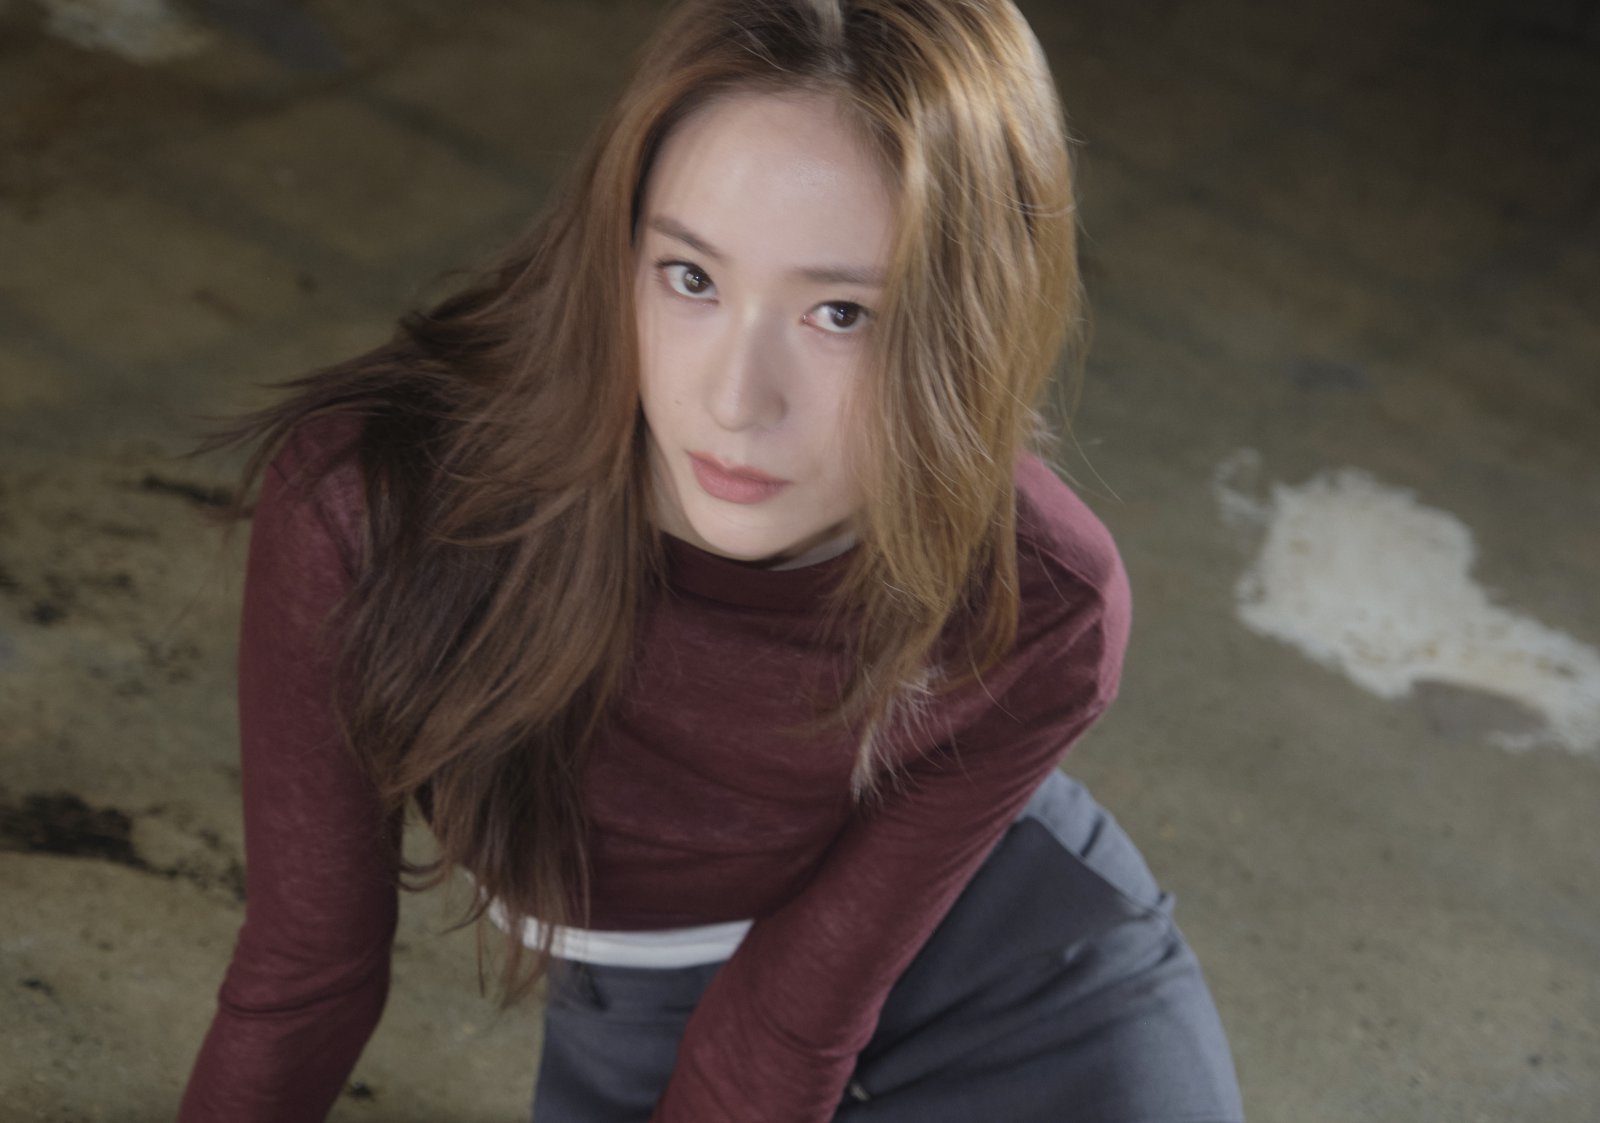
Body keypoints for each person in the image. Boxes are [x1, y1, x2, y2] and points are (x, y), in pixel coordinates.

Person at [178, 0, 1245, 1120]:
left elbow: (791, 1022)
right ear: (618, 252)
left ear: (970, 327)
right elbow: (309, 969)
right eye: (691, 278)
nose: (736, 402)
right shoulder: (375, 500)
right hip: (663, 1006)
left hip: (1027, 984)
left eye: (842, 313)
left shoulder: (1043, 594)